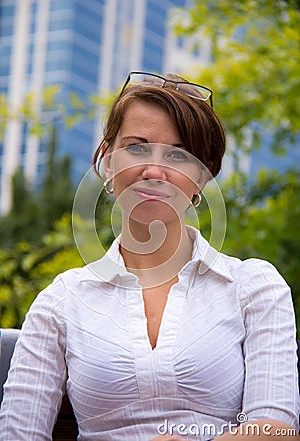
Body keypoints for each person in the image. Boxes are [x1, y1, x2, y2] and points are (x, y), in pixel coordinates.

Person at [0, 71, 299, 441]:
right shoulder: (62, 301)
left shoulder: (254, 287)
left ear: (202, 178)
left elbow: (276, 430)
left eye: (177, 155)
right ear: (108, 161)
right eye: (137, 148)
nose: (154, 171)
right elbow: (18, 434)